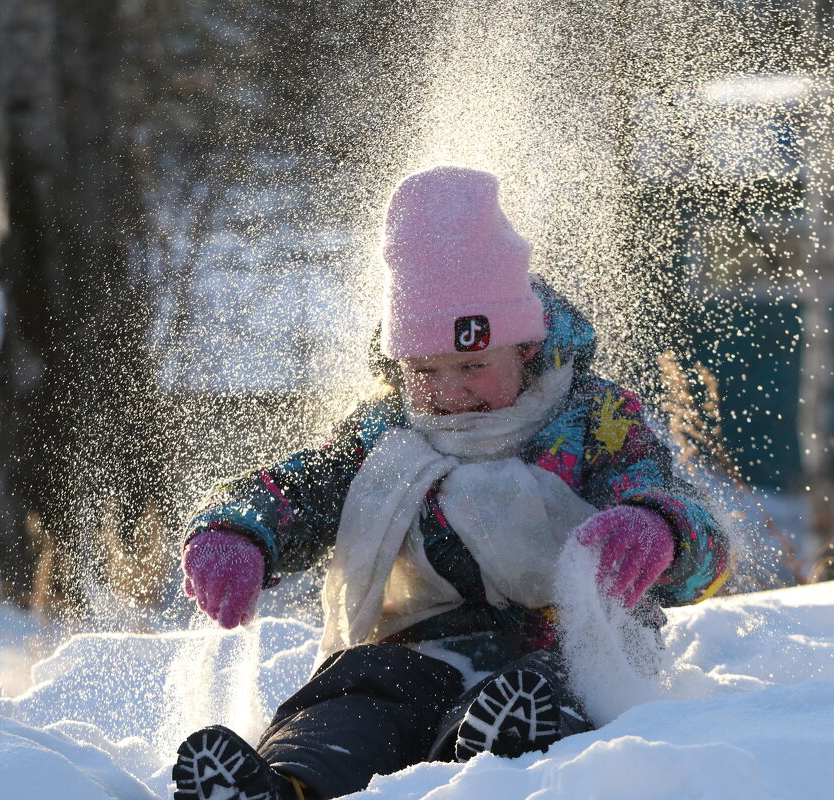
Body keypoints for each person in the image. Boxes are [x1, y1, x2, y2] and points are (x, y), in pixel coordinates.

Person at [171, 166, 729, 800]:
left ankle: (496, 756)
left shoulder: (593, 421)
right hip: (422, 650)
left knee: (551, 689)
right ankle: (287, 786)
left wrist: (658, 528)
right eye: (425, 369)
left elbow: (697, 536)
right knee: (358, 693)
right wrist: (238, 531)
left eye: (472, 364)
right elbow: (300, 490)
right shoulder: (386, 436)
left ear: (522, 348)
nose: (451, 392)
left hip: (564, 645)